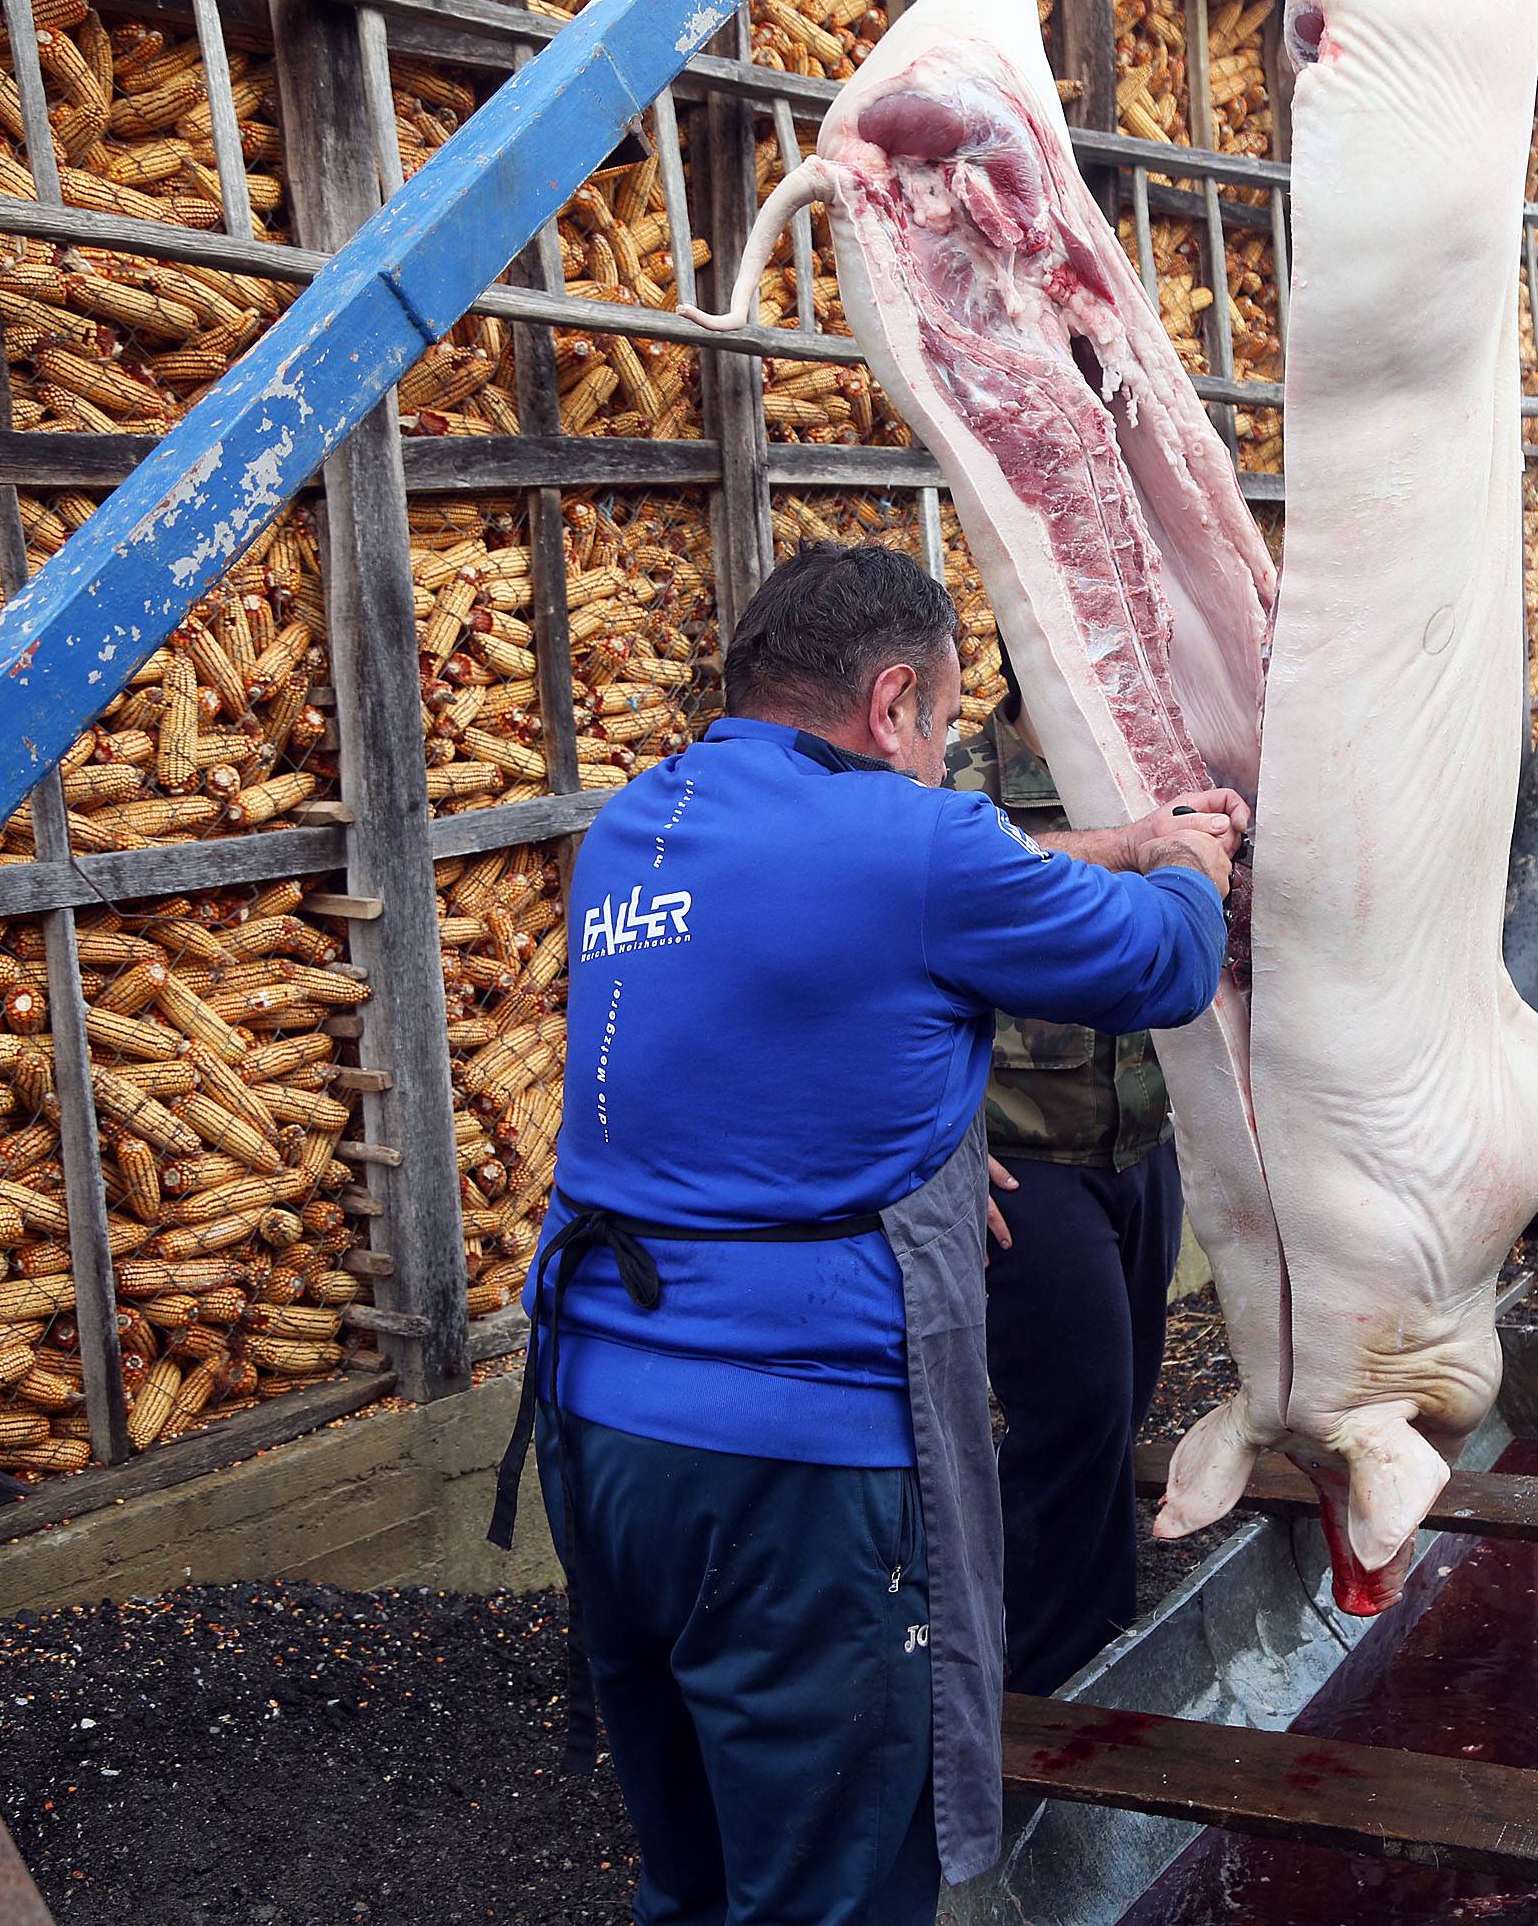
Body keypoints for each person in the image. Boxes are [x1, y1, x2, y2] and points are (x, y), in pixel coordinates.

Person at [488, 540, 1248, 1926]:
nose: (946, 757)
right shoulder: (919, 839)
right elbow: (1163, 963)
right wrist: (1185, 863)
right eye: (946, 726)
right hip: (788, 1459)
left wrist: (1118, 842)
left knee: (697, 1864)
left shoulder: (638, 825)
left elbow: (859, 928)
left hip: (595, 1426)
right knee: (834, 1881)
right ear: (893, 702)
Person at [947, 649, 1189, 1698]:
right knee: (1073, 1415)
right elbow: (883, 984)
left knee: (1120, 1404)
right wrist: (944, 1142)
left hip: (1142, 1145)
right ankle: (1032, 1683)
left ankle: (1103, 1647)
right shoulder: (957, 793)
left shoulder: (1149, 788)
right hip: (1025, 1165)